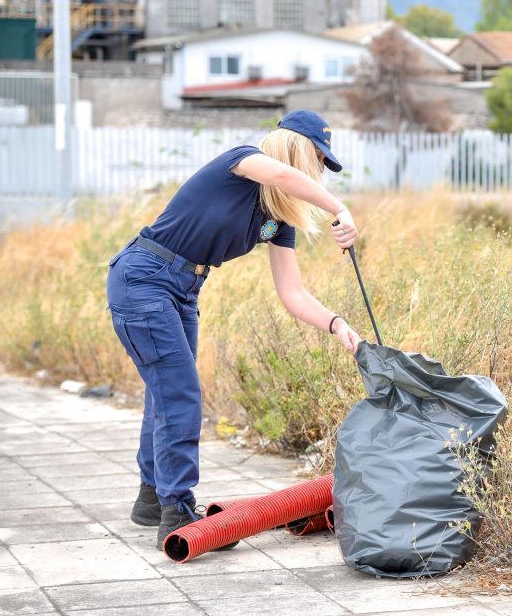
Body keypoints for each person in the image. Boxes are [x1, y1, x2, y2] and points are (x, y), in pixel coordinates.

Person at [106, 109, 362, 547]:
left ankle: (153, 499)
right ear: (297, 147)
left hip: (183, 289)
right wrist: (339, 208)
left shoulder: (279, 219)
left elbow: (292, 293)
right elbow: (280, 174)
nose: (320, 171)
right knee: (180, 392)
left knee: (166, 392)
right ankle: (178, 508)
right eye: (319, 159)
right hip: (144, 278)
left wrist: (336, 323)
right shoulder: (243, 161)